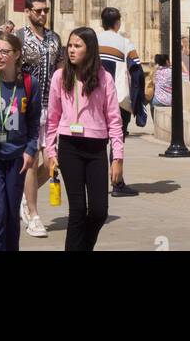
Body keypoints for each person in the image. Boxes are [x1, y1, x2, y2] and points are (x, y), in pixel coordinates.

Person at [47, 26, 123, 251]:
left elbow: (115, 120)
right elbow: (52, 118)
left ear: (89, 50)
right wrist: (50, 152)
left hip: (96, 147)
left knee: (99, 211)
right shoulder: (60, 76)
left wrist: (117, 157)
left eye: (77, 46)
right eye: (69, 45)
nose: (71, 50)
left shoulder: (104, 77)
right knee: (77, 210)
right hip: (69, 146)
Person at [0, 31, 41, 250]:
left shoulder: (30, 84)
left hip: (17, 158)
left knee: (12, 214)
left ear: (17, 54)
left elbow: (33, 123)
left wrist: (30, 149)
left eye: (4, 52)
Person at [17, 0, 63, 238]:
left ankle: (26, 195)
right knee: (31, 160)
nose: (43, 14)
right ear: (27, 12)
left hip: (53, 108)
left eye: (46, 10)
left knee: (54, 161)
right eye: (38, 10)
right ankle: (34, 214)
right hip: (29, 108)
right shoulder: (19, 38)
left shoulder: (54, 39)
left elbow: (61, 70)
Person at [98, 6, 140, 197]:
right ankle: (117, 182)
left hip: (94, 99)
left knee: (96, 140)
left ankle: (95, 181)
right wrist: (138, 102)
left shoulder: (93, 41)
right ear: (118, 23)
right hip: (117, 100)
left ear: (102, 22)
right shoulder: (125, 43)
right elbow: (137, 73)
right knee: (117, 140)